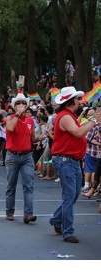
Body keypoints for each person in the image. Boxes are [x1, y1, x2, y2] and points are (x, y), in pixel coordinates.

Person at [50, 86, 101, 243]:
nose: (79, 102)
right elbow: (78, 133)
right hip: (66, 161)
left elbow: (79, 132)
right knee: (70, 195)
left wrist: (90, 122)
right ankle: (68, 232)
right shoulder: (65, 116)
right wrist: (94, 121)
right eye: (77, 99)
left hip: (72, 161)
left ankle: (57, 220)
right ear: (72, 101)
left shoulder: (68, 115)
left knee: (72, 194)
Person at [5, 91, 45, 223]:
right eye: (18, 103)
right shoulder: (10, 118)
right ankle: (10, 211)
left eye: (23, 103)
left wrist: (38, 138)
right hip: (12, 155)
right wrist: (17, 114)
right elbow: (10, 128)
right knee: (11, 186)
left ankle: (28, 214)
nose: (21, 105)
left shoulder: (30, 121)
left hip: (27, 156)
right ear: (14, 106)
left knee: (29, 185)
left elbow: (32, 138)